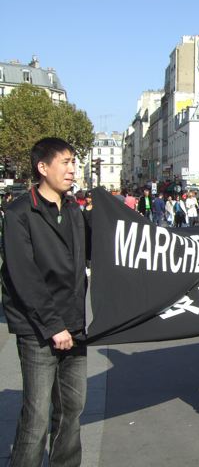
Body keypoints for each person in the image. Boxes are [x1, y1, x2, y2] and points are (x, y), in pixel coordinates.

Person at [1, 138, 88, 466]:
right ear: (42, 167)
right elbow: (24, 278)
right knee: (36, 418)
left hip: (75, 327)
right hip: (39, 330)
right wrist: (54, 326)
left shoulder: (74, 210)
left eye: (73, 162)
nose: (71, 169)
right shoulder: (20, 213)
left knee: (71, 412)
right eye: (65, 162)